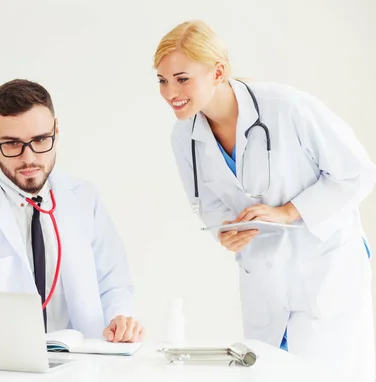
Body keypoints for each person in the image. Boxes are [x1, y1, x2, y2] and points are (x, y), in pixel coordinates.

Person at [153, 20, 376, 379]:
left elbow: (357, 173)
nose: (169, 92)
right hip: (263, 279)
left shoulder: (287, 108)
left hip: (324, 271)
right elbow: (209, 206)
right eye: (162, 80)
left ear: (218, 72)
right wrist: (226, 233)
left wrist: (288, 212)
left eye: (182, 78)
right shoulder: (185, 136)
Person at [0, 79, 144, 343]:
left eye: (40, 140)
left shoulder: (84, 198)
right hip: (6, 365)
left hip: (85, 360)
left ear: (56, 130)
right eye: (12, 144)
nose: (29, 158)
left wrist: (119, 317)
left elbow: (114, 281)